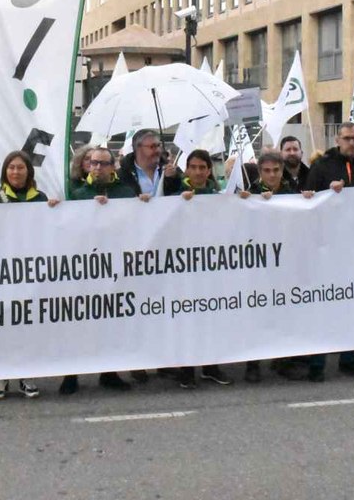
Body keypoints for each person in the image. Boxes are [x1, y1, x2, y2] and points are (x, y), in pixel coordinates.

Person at [61, 146, 149, 394]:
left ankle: (109, 372)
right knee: (78, 323)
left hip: (115, 268)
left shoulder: (125, 192)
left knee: (111, 322)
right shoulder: (77, 193)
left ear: (113, 167)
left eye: (102, 164)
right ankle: (71, 375)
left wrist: (142, 205)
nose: (97, 168)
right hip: (85, 268)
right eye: (93, 163)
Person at [300, 122, 354, 381]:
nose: (351, 143)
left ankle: (349, 358)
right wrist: (326, 192)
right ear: (337, 139)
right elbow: (307, 199)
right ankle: (317, 362)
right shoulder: (322, 166)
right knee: (323, 306)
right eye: (347, 138)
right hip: (326, 247)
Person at [0, 150, 60, 400]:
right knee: (5, 324)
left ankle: (26, 375)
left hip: (32, 272)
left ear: (29, 171)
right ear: (5, 171)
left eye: (20, 168)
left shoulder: (40, 198)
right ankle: (3, 374)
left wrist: (55, 211)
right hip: (3, 274)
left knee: (29, 324)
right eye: (11, 167)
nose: (15, 172)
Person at [238, 151, 314, 383]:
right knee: (257, 314)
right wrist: (247, 202)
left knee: (285, 314)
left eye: (276, 170)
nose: (272, 175)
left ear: (282, 170)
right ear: (260, 172)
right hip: (259, 264)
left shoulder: (292, 192)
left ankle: (283, 361)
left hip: (287, 264)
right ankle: (253, 363)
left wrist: (308, 201)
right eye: (267, 171)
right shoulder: (249, 193)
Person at [171, 150, 233, 388]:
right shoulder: (175, 193)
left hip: (212, 266)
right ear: (187, 169)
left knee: (211, 317)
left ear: (209, 170)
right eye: (193, 167)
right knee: (187, 318)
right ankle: (187, 368)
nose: (197, 172)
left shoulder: (219, 194)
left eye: (202, 167)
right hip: (184, 268)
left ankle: (211, 366)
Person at [118, 129, 180, 198]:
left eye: (159, 145)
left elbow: (179, 195)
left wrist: (173, 178)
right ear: (138, 148)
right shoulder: (123, 175)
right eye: (152, 146)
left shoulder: (170, 170)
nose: (157, 150)